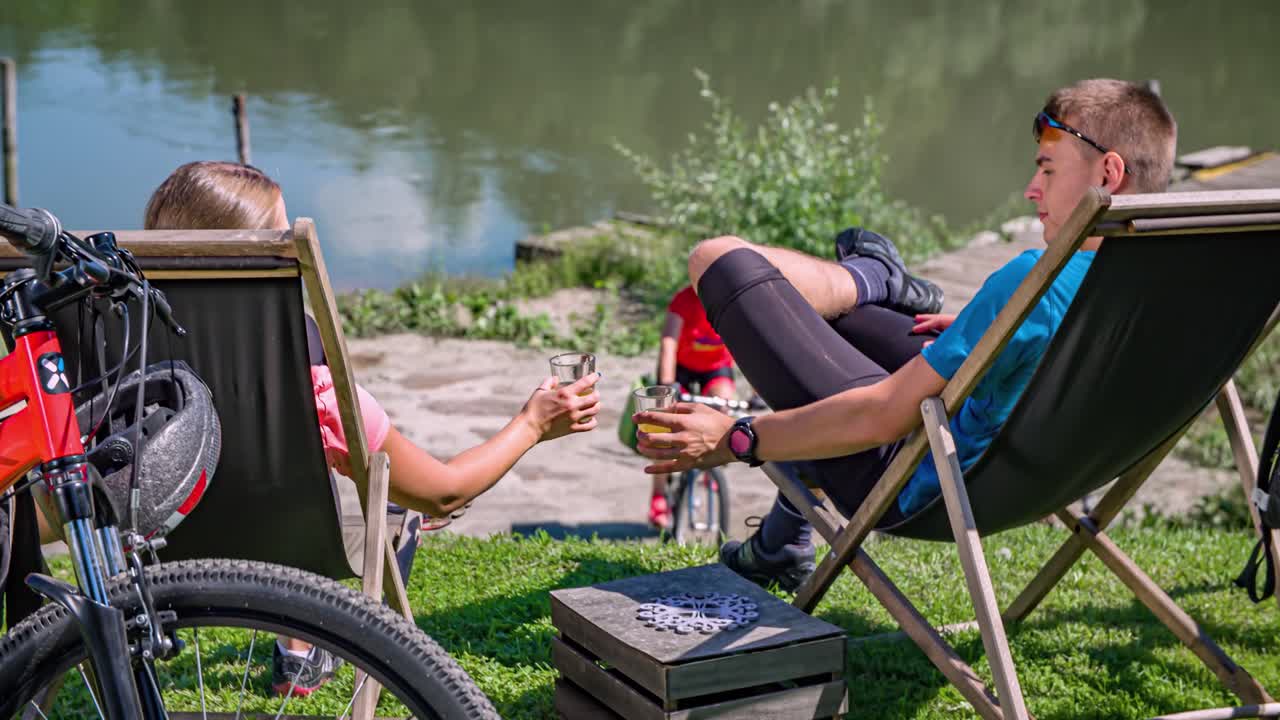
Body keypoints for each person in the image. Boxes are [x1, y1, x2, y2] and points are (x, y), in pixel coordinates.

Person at [633, 79, 1176, 592]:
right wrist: (985, 332)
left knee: (717, 260)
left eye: (1048, 170)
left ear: (1108, 172)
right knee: (790, 301)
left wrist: (735, 437)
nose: (1031, 190)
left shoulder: (1038, 282)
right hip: (1032, 479)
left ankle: (871, 277)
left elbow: (880, 416)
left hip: (911, 475)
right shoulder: (1165, 280)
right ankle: (782, 543)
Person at [143, 160, 602, 695]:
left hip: (156, 553)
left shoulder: (116, 364)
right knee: (398, 504)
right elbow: (445, 492)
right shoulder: (304, 378)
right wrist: (532, 424)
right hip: (286, 548)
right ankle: (302, 652)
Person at [647, 285, 737, 528]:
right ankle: (658, 496)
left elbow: (751, 341)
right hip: (681, 367)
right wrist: (666, 384)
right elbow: (668, 342)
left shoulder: (730, 298)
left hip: (715, 367)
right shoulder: (684, 300)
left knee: (724, 404)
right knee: (664, 428)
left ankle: (711, 466)